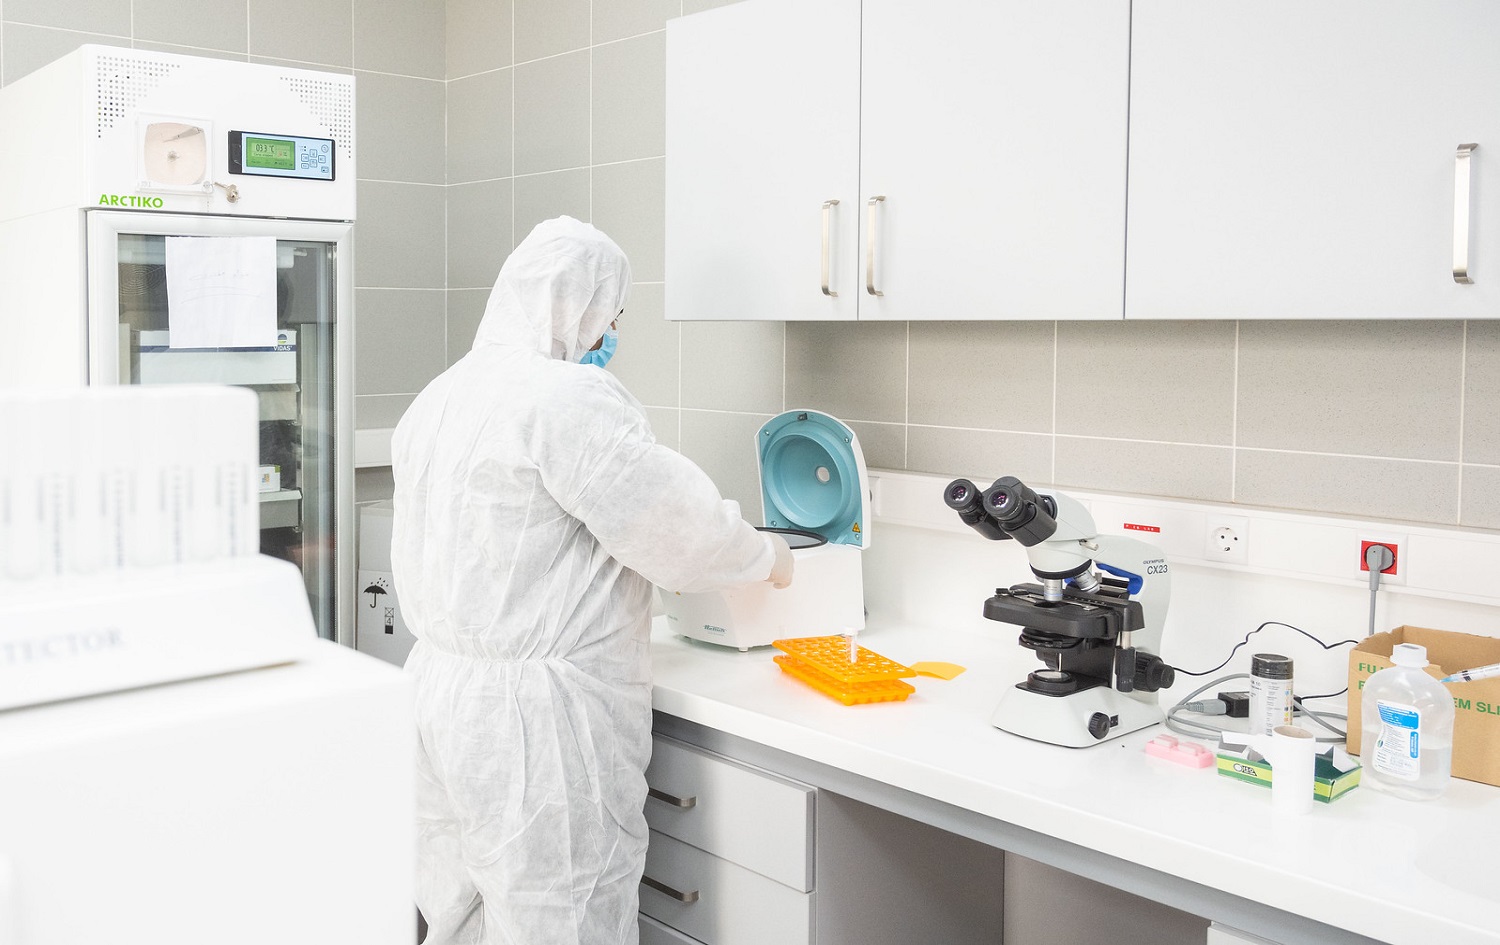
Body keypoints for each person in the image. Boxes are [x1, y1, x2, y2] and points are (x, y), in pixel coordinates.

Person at [390, 216, 793, 945]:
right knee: (562, 921)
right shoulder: (564, 399)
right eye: (613, 311)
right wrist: (766, 556)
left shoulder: (443, 395)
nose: (611, 331)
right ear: (577, 303)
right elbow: (676, 529)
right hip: (535, 724)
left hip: (437, 699)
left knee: (461, 916)